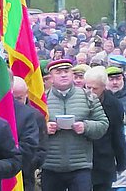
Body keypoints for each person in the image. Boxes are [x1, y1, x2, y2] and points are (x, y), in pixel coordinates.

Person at [42, 58, 109, 191]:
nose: (63, 75)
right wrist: (44, 129)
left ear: (72, 74)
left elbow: (103, 124)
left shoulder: (88, 97)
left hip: (80, 166)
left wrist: (86, 127)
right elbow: (30, 128)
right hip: (50, 165)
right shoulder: (42, 100)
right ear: (51, 77)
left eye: (66, 71)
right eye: (58, 72)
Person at [86, 67, 126, 191]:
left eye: (95, 89)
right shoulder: (80, 100)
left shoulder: (114, 105)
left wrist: (121, 161)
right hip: (83, 159)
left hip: (104, 158)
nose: (91, 92)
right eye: (88, 88)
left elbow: (118, 135)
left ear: (104, 87)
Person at [12, 76, 47, 191]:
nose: (15, 103)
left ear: (26, 93)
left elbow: (41, 148)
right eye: (12, 98)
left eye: (18, 98)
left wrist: (28, 165)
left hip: (26, 175)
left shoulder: (35, 116)